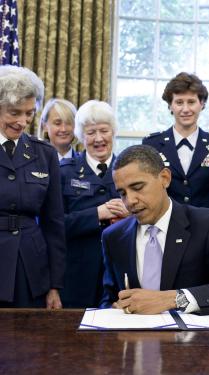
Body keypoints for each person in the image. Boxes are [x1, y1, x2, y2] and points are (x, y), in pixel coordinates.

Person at [100, 145, 209, 315]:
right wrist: (113, 308)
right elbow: (108, 300)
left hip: (191, 339)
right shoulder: (114, 237)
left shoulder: (207, 225)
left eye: (137, 187)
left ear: (165, 178)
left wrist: (173, 299)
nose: (129, 201)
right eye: (122, 193)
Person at [0, 65, 65, 308]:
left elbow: (54, 223)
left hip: (29, 268)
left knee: (29, 343)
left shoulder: (44, 154)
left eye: (29, 113)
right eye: (14, 113)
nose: (23, 121)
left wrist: (55, 285)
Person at [59, 100, 129, 308]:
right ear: (81, 136)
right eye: (91, 132)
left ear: (113, 132)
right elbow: (55, 225)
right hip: (76, 274)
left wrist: (131, 214)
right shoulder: (64, 171)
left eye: (104, 131)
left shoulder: (130, 169)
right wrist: (97, 213)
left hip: (120, 273)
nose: (98, 138)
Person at [143, 72, 209, 211]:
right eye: (179, 102)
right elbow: (148, 191)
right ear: (170, 105)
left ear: (201, 104)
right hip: (165, 226)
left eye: (191, 102)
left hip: (206, 226)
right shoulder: (152, 145)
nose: (185, 109)